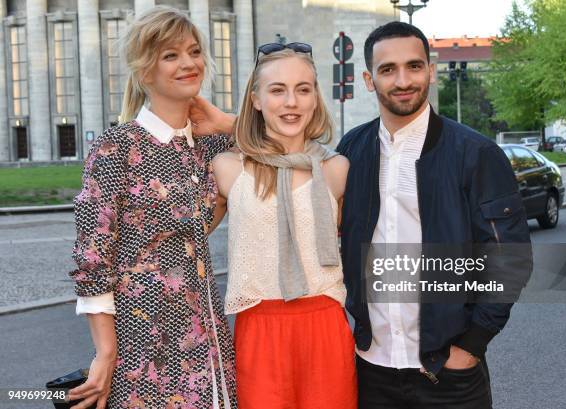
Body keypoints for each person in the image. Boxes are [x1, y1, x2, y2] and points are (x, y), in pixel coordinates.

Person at [336, 21, 532, 409]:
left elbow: (510, 259)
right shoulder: (351, 151)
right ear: (369, 79)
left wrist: (472, 345)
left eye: (414, 66)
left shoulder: (475, 153)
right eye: (388, 69)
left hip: (449, 373)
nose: (403, 80)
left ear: (430, 69)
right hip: (371, 369)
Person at [68, 7, 236, 409]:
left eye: (194, 52)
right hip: (143, 340)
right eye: (170, 55)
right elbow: (93, 258)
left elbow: (283, 143)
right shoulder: (117, 146)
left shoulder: (214, 146)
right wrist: (105, 352)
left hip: (209, 336)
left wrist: (227, 124)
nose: (189, 63)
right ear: (145, 71)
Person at [211, 44, 357, 409]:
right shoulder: (228, 168)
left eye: (303, 89)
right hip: (258, 325)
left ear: (315, 98)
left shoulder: (337, 169)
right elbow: (185, 236)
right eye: (277, 90)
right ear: (256, 99)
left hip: (324, 324)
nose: (291, 101)